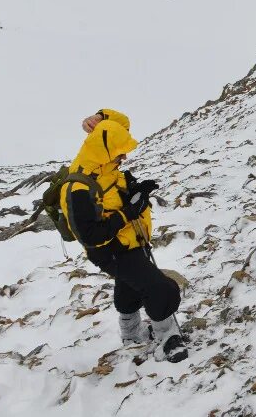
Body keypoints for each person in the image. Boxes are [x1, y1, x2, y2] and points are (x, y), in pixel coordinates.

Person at [59, 111, 188, 362]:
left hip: (130, 242)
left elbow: (121, 122)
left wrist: (100, 116)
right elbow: (91, 236)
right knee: (161, 290)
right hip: (111, 250)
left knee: (130, 284)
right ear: (106, 150)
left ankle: (131, 334)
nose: (124, 157)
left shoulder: (105, 165)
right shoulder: (78, 187)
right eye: (120, 153)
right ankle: (166, 338)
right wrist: (128, 213)